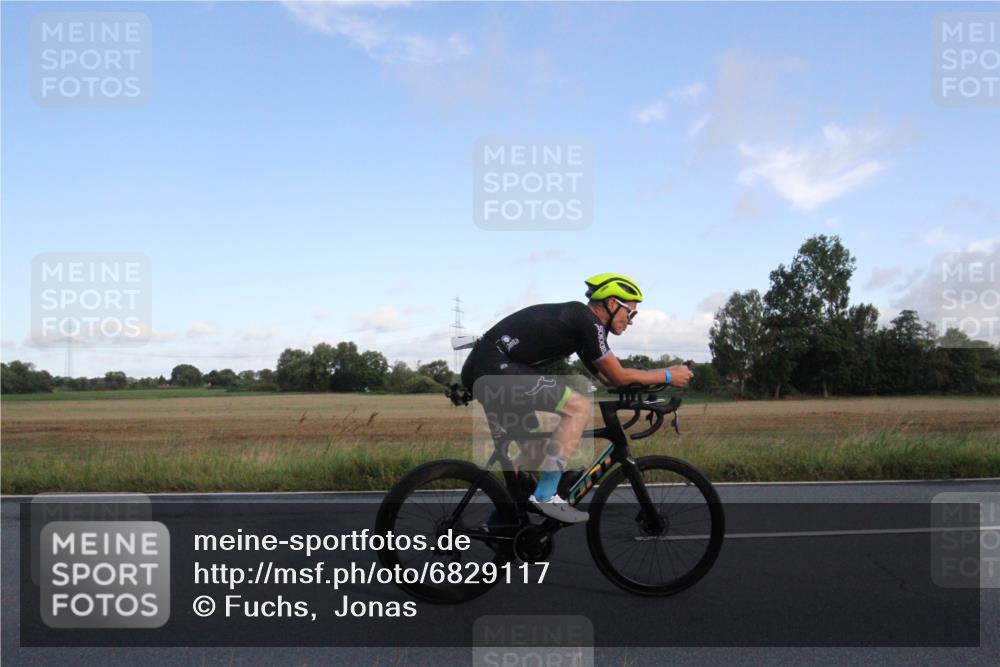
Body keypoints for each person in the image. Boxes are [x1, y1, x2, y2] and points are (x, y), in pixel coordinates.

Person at [461, 273, 694, 523]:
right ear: (613, 303)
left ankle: (504, 524)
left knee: (535, 450)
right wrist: (669, 374)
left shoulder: (585, 329)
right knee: (578, 407)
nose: (631, 321)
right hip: (493, 366)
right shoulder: (585, 320)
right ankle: (546, 495)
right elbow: (618, 376)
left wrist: (656, 384)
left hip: (486, 366)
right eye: (631, 312)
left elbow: (607, 378)